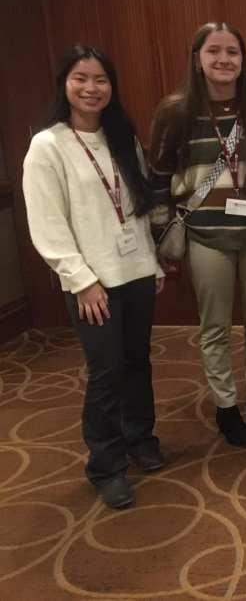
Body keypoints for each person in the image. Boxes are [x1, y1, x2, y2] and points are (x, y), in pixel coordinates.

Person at [22, 45, 165, 509]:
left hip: (136, 271)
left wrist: (153, 262)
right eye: (80, 78)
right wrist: (80, 278)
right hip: (92, 282)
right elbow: (48, 223)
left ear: (111, 87)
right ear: (64, 84)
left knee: (137, 361)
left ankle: (140, 439)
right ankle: (105, 465)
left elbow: (137, 209)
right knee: (105, 373)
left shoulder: (122, 136)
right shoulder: (48, 146)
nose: (91, 88)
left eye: (100, 79)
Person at [149, 22, 246, 447]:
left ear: (243, 60)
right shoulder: (175, 111)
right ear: (198, 59)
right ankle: (227, 406)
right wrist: (159, 230)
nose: (223, 60)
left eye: (232, 51)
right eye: (214, 51)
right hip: (206, 236)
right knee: (214, 327)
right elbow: (158, 176)